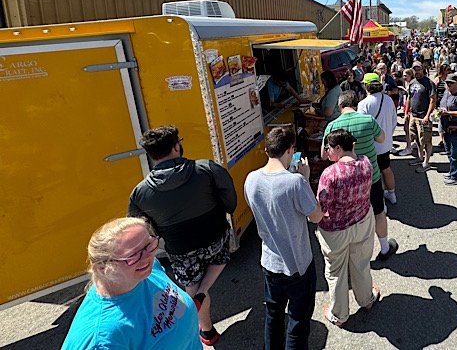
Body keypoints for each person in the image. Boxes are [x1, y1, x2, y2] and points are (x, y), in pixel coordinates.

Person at [128, 126, 237, 346]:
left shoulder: (140, 192)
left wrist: (162, 232)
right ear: (177, 146)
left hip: (179, 249)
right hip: (216, 237)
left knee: (191, 283)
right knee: (219, 259)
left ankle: (206, 331)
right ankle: (202, 293)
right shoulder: (206, 168)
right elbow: (230, 202)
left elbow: (139, 226)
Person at [62, 217, 201, 349]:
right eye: (133, 256)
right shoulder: (101, 340)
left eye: (149, 245)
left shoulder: (148, 270)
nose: (147, 257)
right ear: (102, 268)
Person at [244, 127, 323, 349]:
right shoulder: (295, 182)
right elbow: (316, 216)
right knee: (297, 323)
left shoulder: (251, 179)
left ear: (267, 150)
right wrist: (305, 179)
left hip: (269, 263)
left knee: (273, 316)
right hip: (298, 265)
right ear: (290, 150)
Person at [316, 129, 381, 327]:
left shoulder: (330, 174)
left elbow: (321, 206)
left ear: (337, 148)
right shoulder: (366, 163)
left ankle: (340, 314)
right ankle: (366, 299)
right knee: (361, 263)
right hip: (362, 221)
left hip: (335, 230)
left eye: (328, 148)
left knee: (336, 271)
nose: (326, 152)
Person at [323, 90, 398, 260]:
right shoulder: (368, 120)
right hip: (370, 176)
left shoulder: (332, 126)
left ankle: (354, 256)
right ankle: (385, 248)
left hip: (344, 180)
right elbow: (381, 138)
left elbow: (323, 154)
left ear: (340, 105)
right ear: (356, 104)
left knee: (350, 216)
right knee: (379, 212)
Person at [358, 73, 399, 205]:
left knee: (375, 175)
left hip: (371, 146)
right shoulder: (388, 99)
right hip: (386, 143)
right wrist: (388, 136)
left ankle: (380, 201)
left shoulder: (363, 104)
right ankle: (392, 194)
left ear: (366, 86)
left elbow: (362, 127)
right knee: (386, 169)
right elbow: (394, 121)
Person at [408, 61, 437, 173]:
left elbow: (433, 100)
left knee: (426, 140)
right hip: (413, 115)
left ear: (423, 69)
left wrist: (427, 115)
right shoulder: (412, 82)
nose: (417, 71)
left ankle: (426, 162)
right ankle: (420, 158)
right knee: (416, 139)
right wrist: (407, 113)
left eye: (418, 69)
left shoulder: (429, 83)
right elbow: (409, 98)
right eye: (415, 69)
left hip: (423, 116)